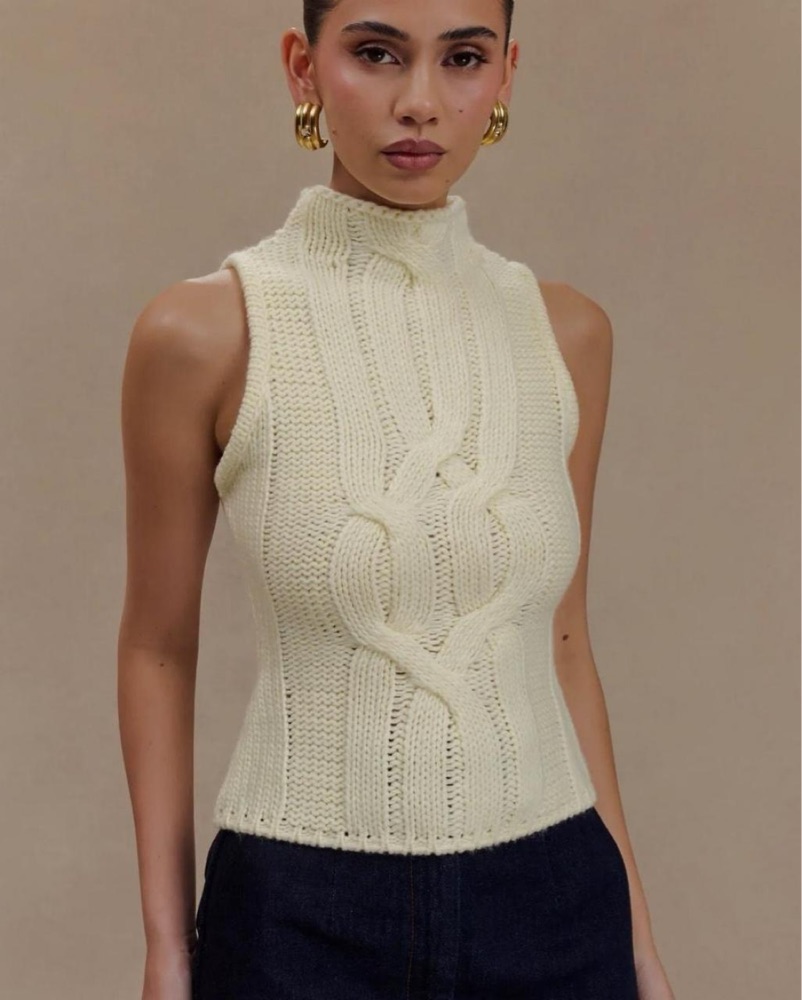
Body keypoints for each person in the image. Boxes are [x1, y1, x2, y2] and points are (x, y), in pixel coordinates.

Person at [118, 1, 676, 998]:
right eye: (376, 54)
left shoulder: (567, 335)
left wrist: (636, 939)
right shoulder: (206, 334)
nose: (419, 102)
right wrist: (166, 949)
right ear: (303, 68)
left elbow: (562, 645)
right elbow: (157, 647)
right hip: (297, 916)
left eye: (462, 59)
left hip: (556, 901)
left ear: (505, 77)